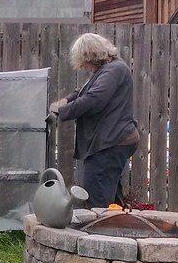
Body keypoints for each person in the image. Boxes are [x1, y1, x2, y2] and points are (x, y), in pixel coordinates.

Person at [50, 33, 138, 208]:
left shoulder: (114, 70)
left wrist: (62, 110)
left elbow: (94, 99)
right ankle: (117, 230)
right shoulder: (106, 70)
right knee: (110, 196)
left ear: (92, 56)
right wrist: (65, 101)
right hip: (112, 140)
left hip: (111, 141)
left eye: (84, 62)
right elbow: (83, 92)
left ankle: (100, 232)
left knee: (96, 197)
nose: (84, 67)